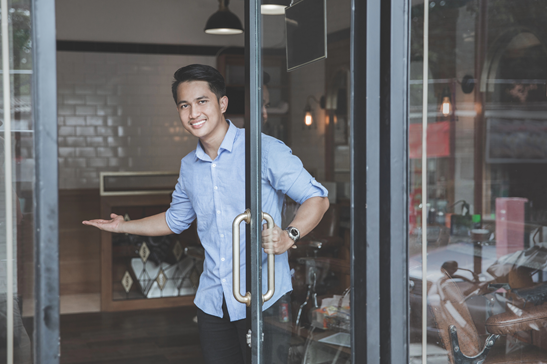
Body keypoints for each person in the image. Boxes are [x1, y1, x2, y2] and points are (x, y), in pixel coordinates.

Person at [83, 64, 329, 364]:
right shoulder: (190, 166)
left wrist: (289, 235)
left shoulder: (263, 150)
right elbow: (175, 220)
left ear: (222, 104)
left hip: (264, 298)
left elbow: (316, 198)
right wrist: (124, 226)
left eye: (202, 102)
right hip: (213, 299)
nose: (193, 113)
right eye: (184, 105)